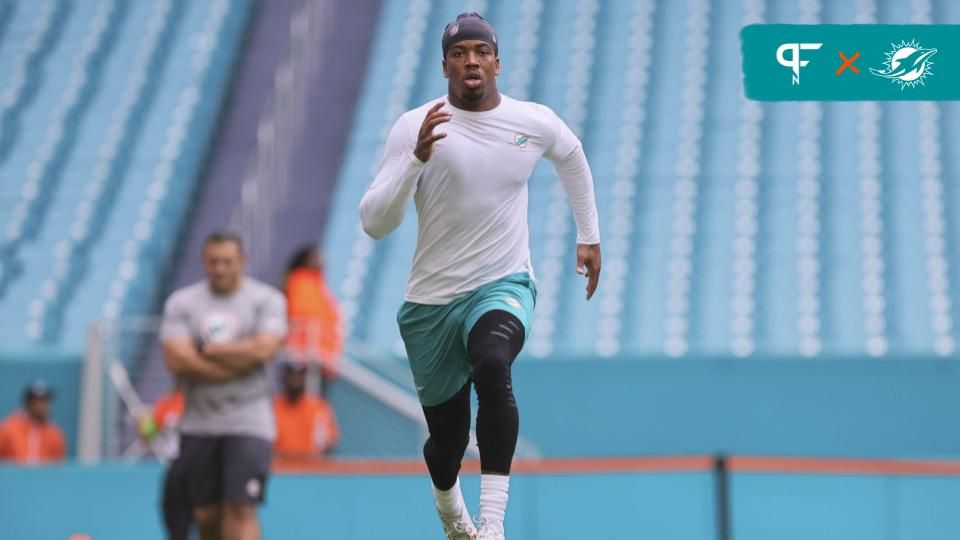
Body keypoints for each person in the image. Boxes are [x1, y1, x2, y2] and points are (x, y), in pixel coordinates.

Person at [358, 12, 601, 540]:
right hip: (431, 303)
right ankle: (452, 513)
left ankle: (492, 523)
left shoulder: (531, 120)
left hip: (503, 282)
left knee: (493, 363)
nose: (471, 60)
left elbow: (572, 155)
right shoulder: (415, 126)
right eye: (459, 52)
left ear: (497, 62)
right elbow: (375, 222)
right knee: (446, 444)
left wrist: (590, 234)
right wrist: (414, 161)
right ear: (445, 64)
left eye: (480, 51)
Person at [161, 231, 287, 540]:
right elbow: (176, 359)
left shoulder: (267, 300)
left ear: (241, 262)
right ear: (204, 262)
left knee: (241, 508)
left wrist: (207, 351)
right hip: (198, 424)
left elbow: (264, 350)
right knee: (206, 514)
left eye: (227, 262)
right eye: (213, 261)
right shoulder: (182, 302)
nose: (220, 268)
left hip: (249, 422)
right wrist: (239, 359)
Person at [282, 244, 343, 396]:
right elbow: (304, 314)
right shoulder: (299, 281)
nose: (321, 261)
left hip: (320, 358)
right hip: (303, 356)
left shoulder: (319, 285)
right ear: (306, 260)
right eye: (315, 257)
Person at [138, 383, 190, 540]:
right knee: (175, 524)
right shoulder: (168, 402)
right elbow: (150, 433)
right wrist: (144, 424)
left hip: (201, 468)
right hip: (176, 468)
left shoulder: (205, 401)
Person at [273, 361, 339, 460]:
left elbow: (329, 442)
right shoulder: (273, 406)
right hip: (279, 466)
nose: (295, 381)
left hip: (310, 466)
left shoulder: (318, 406)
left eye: (299, 376)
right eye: (291, 375)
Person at [0, 379, 66, 464]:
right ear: (27, 403)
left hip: (43, 477)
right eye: (36, 401)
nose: (42, 406)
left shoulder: (55, 433)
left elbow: (58, 466)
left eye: (45, 401)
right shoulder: (7, 428)